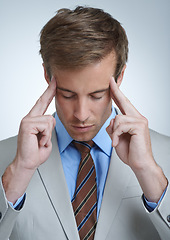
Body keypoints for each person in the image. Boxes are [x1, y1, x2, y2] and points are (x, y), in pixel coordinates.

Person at [0, 6, 169, 240]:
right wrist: (16, 174)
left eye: (96, 95)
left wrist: (150, 173)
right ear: (48, 77)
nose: (81, 114)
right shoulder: (4, 158)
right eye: (67, 94)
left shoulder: (167, 154)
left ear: (119, 78)